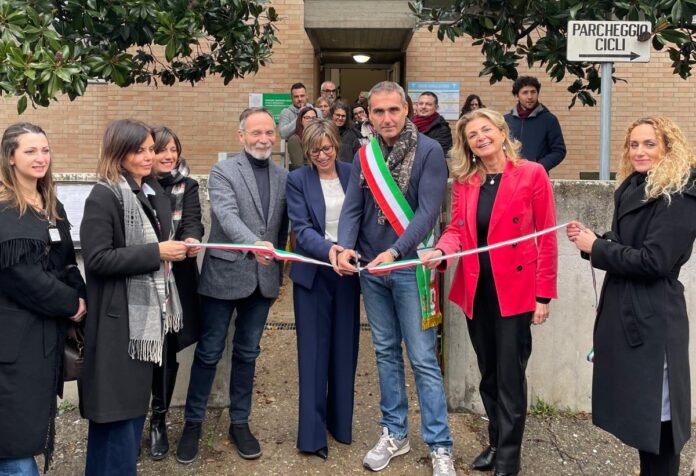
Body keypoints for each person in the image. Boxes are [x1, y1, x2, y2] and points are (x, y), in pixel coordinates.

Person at [421, 108, 558, 476]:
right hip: (477, 289)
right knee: (489, 374)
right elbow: (456, 231)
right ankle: (496, 442)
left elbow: (546, 237)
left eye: (486, 130)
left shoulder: (532, 173)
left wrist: (543, 296)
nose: (480, 138)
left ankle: (509, 457)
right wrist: (441, 252)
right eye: (472, 135)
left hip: (515, 291)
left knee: (510, 376)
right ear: (467, 144)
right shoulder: (466, 181)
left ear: (501, 132)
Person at [332, 81, 456, 476]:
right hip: (372, 269)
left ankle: (440, 444)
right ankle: (395, 433)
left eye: (393, 110)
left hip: (409, 268)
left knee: (422, 358)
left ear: (406, 110)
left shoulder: (430, 151)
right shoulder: (364, 154)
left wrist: (397, 251)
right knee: (385, 352)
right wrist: (344, 247)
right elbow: (353, 208)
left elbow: (428, 212)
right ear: (369, 115)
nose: (386, 118)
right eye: (378, 111)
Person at [566, 116, 696, 476]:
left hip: (654, 318)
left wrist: (597, 248)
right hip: (630, 312)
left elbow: (655, 261)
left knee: (660, 420)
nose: (639, 151)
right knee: (643, 419)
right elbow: (628, 244)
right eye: (634, 144)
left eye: (649, 144)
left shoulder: (680, 195)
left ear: (669, 148)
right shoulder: (635, 186)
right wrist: (595, 241)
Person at [176, 107, 289, 464]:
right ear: (241, 136)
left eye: (269, 133)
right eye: (256, 133)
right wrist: (255, 245)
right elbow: (226, 216)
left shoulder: (284, 176)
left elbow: (283, 228)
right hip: (223, 276)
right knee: (209, 352)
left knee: (248, 353)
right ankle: (193, 424)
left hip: (263, 280)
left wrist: (279, 271)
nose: (263, 139)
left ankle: (240, 422)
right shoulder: (223, 171)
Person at [80, 119, 188, 475]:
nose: (148, 156)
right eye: (138, 150)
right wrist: (156, 252)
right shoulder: (105, 194)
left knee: (129, 418)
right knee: (115, 420)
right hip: (117, 325)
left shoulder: (147, 192)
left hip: (142, 323)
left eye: (150, 149)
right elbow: (97, 259)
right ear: (118, 153)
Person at [0, 123, 87, 475]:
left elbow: (66, 262)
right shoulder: (5, 210)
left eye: (45, 150)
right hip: (12, 345)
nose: (41, 158)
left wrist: (82, 294)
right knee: (13, 440)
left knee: (28, 428)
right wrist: (71, 304)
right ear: (10, 157)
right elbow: (21, 277)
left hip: (44, 342)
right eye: (30, 151)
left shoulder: (51, 204)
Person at [286, 120, 360, 460]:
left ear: (336, 144)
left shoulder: (352, 173)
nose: (322, 155)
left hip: (347, 274)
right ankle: (312, 436)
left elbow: (362, 218)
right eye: (314, 151)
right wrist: (332, 251)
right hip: (314, 274)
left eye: (327, 148)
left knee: (345, 350)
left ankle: (340, 424)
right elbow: (301, 229)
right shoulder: (297, 180)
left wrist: (349, 254)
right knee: (313, 356)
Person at [146, 126, 204, 460]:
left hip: (176, 283)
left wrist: (192, 239)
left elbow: (193, 221)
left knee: (167, 353)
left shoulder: (187, 186)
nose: (169, 156)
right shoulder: (136, 186)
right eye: (161, 150)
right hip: (140, 280)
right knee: (141, 352)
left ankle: (159, 419)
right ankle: (132, 417)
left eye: (173, 150)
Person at [504, 76, 566, 173]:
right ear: (516, 96)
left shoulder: (549, 120)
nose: (530, 96)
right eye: (525, 92)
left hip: (536, 176)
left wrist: (537, 167)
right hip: (510, 175)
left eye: (533, 92)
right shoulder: (505, 121)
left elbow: (559, 151)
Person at [286, 106, 318, 171]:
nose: (311, 120)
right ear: (301, 120)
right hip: (306, 175)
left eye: (314, 118)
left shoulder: (320, 137)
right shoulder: (295, 139)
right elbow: (298, 166)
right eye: (307, 118)